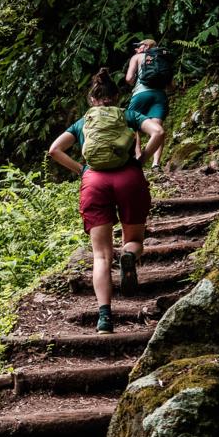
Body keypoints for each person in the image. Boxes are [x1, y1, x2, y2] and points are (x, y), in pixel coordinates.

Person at [48, 68, 164, 333]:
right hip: (129, 179)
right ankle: (129, 256)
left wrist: (81, 169)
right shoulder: (128, 115)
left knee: (101, 255)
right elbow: (157, 132)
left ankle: (104, 318)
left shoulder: (83, 122)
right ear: (115, 96)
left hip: (95, 182)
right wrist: (142, 160)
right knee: (134, 240)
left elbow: (54, 150)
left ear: (92, 99)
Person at [123, 38, 170, 168]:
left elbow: (129, 78)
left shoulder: (137, 57)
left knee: (133, 125)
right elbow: (171, 84)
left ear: (146, 46)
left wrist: (134, 81)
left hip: (141, 94)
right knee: (157, 127)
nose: (136, 49)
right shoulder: (163, 59)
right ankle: (156, 164)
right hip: (160, 96)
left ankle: (138, 157)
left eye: (139, 45)